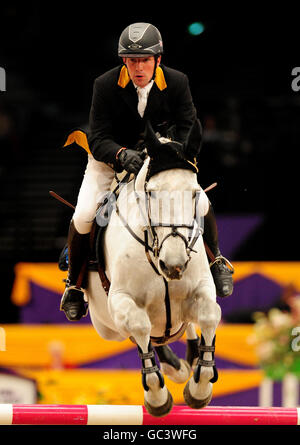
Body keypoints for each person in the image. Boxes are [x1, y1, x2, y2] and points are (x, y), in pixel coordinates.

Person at [60, 22, 234, 321]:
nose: (138, 66)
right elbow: (98, 136)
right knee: (85, 214)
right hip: (109, 160)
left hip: (161, 158)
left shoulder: (177, 82)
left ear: (158, 60)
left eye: (144, 59)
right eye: (131, 60)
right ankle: (74, 286)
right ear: (123, 61)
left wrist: (169, 152)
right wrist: (121, 154)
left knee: (201, 201)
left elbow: (188, 126)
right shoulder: (105, 84)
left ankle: (216, 261)